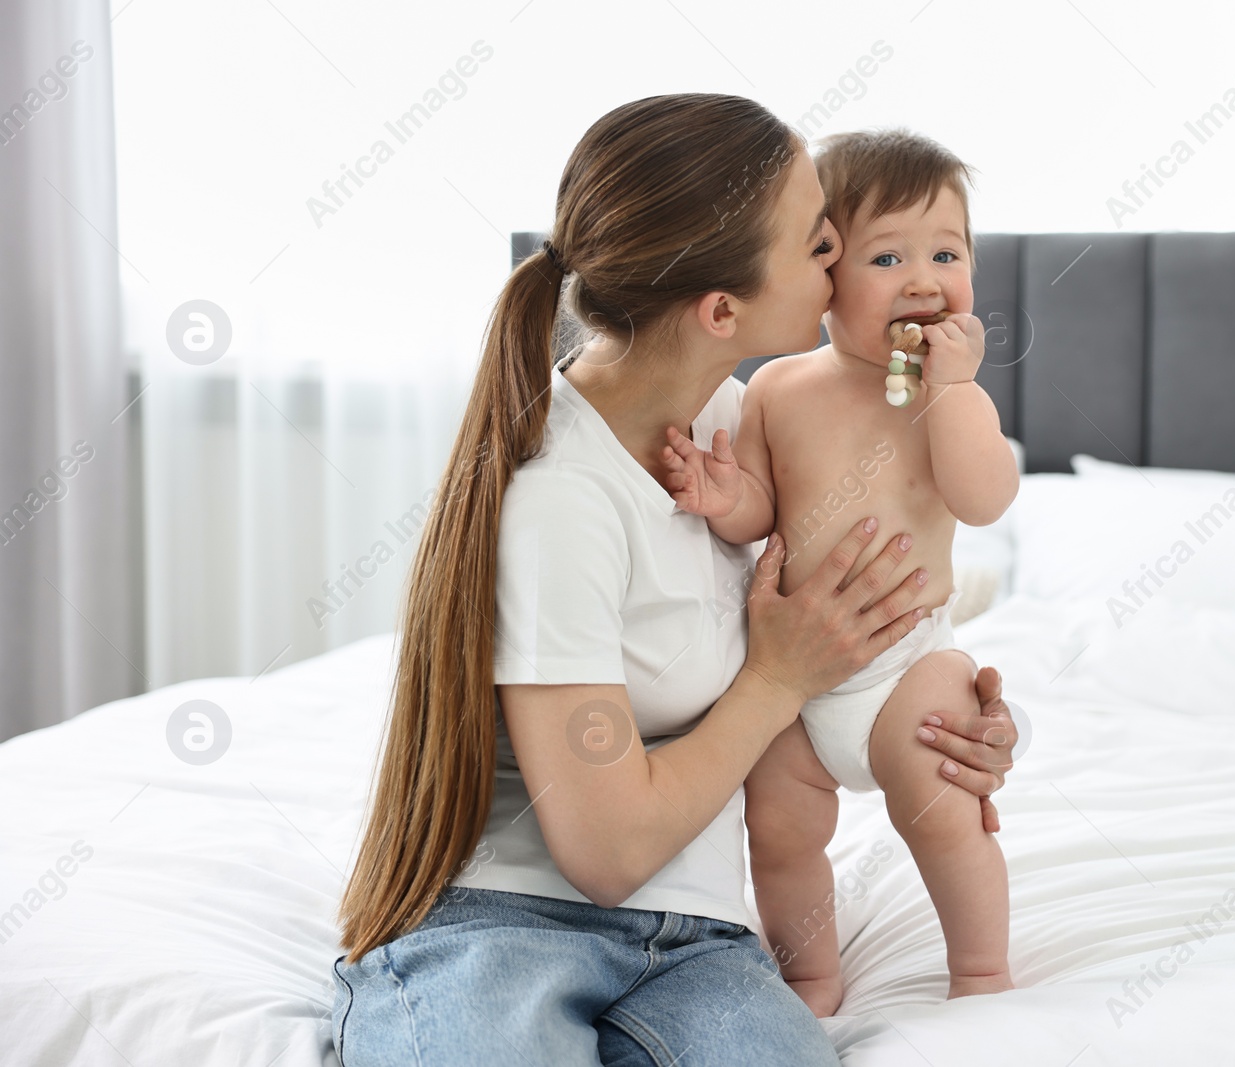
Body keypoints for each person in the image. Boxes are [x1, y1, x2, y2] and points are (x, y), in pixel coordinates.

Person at [329, 94, 1022, 1067]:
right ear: (722, 309)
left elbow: (891, 569)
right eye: (819, 241)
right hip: (508, 918)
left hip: (700, 936)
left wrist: (950, 733)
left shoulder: (736, 421)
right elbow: (607, 855)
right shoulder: (564, 500)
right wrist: (779, 675)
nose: (846, 257)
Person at [659, 128, 1018, 1017]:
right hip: (793, 681)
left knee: (945, 805)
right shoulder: (779, 386)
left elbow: (985, 498)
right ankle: (810, 976)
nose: (924, 278)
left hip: (908, 664)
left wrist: (955, 392)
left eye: (947, 252)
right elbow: (761, 509)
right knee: (779, 835)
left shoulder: (953, 397)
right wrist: (721, 492)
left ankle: (980, 969)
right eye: (886, 255)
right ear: (825, 275)